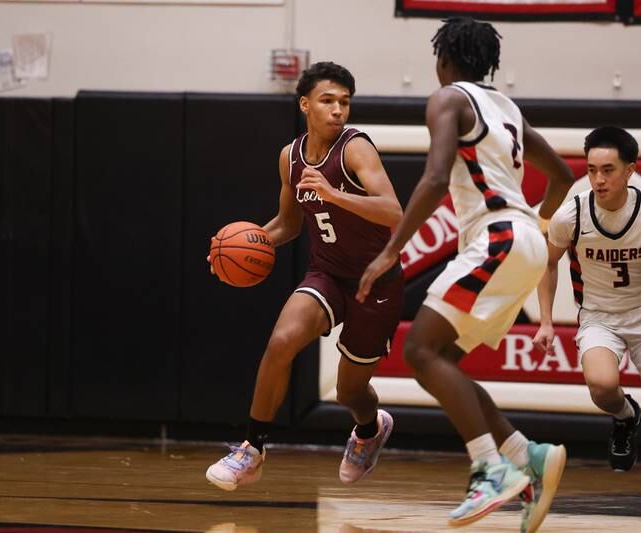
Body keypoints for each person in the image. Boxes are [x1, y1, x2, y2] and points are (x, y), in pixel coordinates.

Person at [357, 17, 575, 530]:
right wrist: (534, 228)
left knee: (418, 350)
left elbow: (435, 178)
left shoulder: (448, 99)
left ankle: (488, 472)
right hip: (521, 241)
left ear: (444, 60)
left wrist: (391, 252)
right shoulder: (508, 108)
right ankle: (527, 456)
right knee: (445, 360)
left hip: (496, 237)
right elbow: (563, 177)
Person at [206, 62, 404, 491]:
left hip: (376, 282)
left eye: (345, 102)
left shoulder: (356, 149)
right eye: (328, 101)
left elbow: (394, 211)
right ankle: (252, 449)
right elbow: (288, 224)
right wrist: (237, 247)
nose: (338, 110)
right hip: (328, 273)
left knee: (350, 393)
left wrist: (334, 194)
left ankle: (370, 431)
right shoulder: (290, 157)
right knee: (281, 342)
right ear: (305, 104)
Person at [533, 126, 641, 514]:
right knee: (602, 386)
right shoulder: (571, 214)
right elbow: (547, 263)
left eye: (608, 170)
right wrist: (545, 321)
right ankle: (626, 416)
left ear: (629, 170)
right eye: (591, 170)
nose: (599, 179)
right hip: (600, 316)